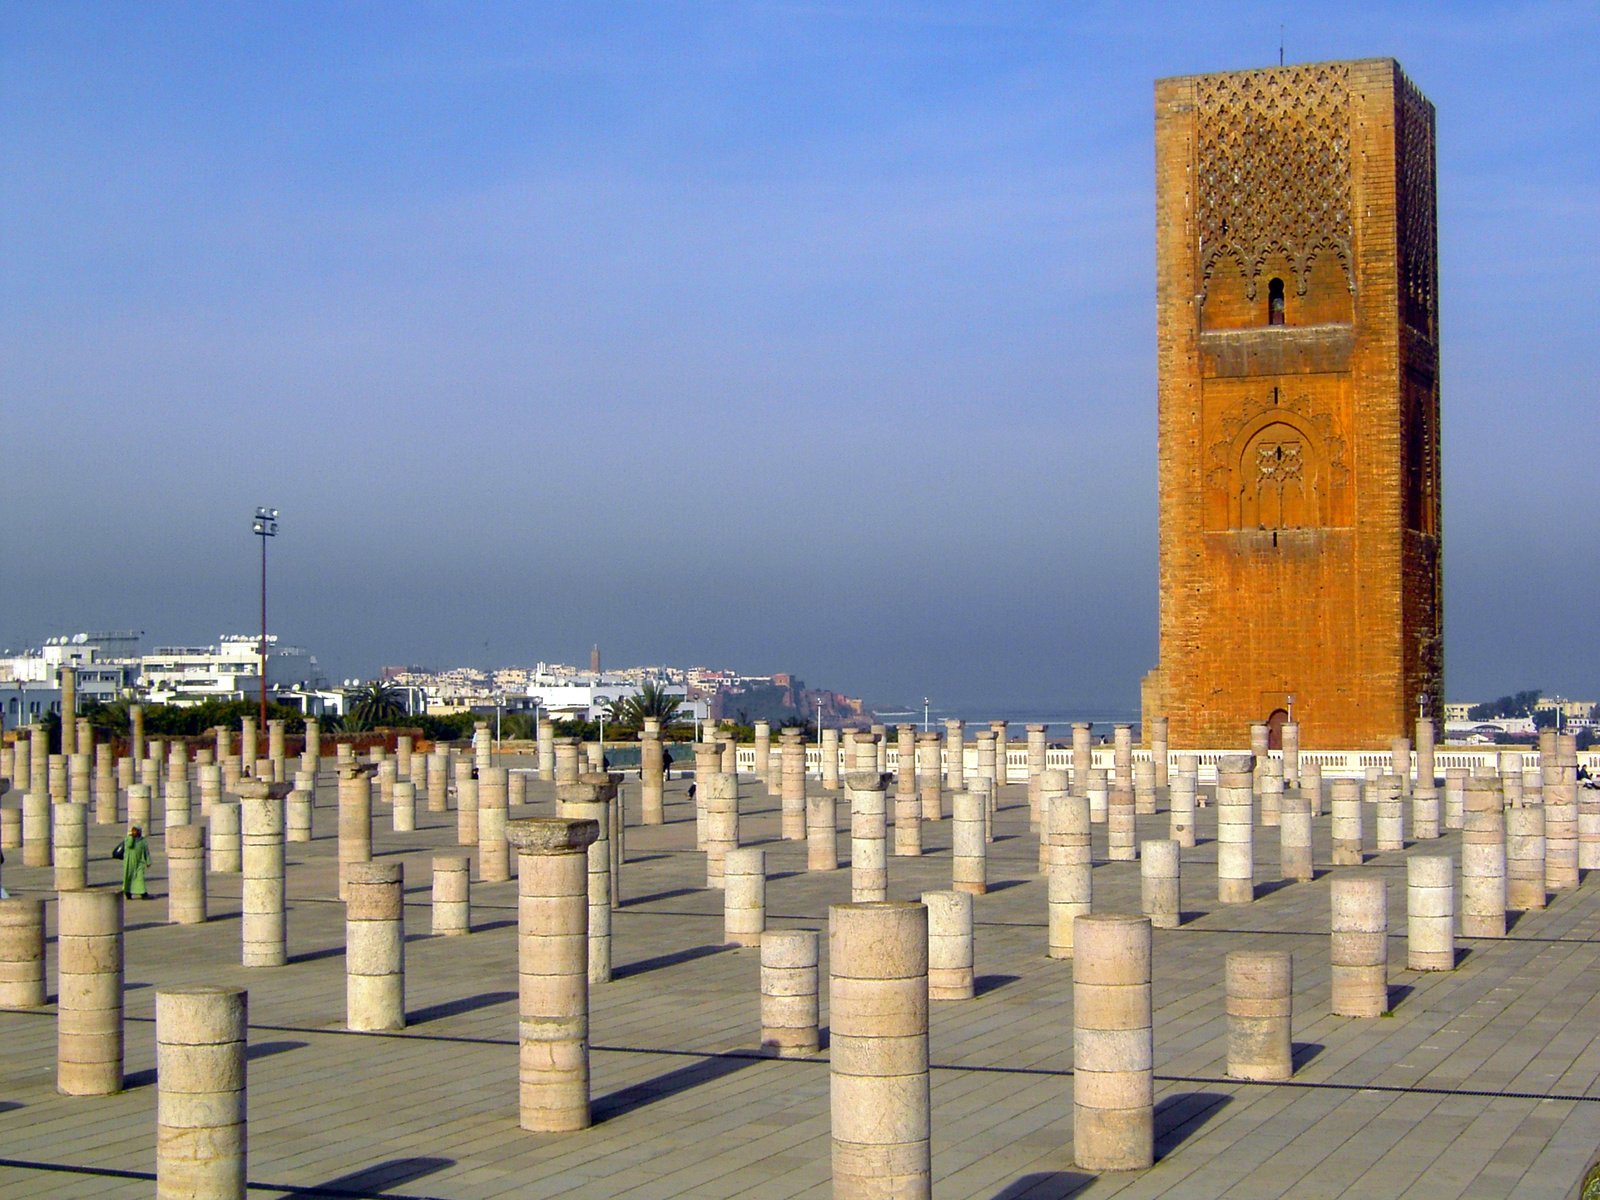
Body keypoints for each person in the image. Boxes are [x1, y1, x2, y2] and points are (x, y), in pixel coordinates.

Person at [120, 825, 152, 900]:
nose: (135, 832)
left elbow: (146, 852)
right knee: (128, 877)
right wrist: (132, 837)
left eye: (136, 831)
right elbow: (129, 845)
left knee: (140, 877)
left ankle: (143, 893)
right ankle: (128, 892)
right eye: (133, 831)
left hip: (139, 862)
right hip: (129, 862)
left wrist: (148, 861)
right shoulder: (128, 838)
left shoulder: (143, 841)